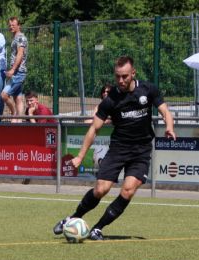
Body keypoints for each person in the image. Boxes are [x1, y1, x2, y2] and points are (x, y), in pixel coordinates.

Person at [52, 56, 176, 241]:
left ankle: (98, 228)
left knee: (128, 190)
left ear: (133, 73)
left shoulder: (148, 90)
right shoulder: (110, 100)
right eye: (117, 76)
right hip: (118, 149)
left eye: (125, 76)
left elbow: (165, 111)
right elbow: (94, 128)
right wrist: (80, 156)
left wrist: (169, 127)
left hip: (141, 151)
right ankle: (73, 218)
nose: (120, 80)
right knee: (101, 189)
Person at [1, 17, 28, 123]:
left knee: (4, 95)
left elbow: (20, 54)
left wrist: (13, 70)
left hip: (18, 72)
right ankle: (19, 121)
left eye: (13, 25)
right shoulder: (15, 37)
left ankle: (14, 114)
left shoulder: (21, 38)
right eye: (10, 25)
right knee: (18, 98)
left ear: (19, 25)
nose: (11, 27)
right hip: (17, 71)